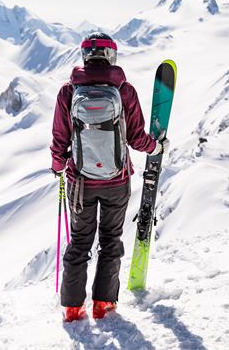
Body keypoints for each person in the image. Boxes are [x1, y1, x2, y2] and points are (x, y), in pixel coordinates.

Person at [50, 32, 168, 322]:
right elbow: (138, 138)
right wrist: (158, 147)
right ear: (111, 56)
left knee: (79, 242)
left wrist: (57, 165)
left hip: (80, 182)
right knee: (110, 240)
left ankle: (73, 309)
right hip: (116, 181)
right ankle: (103, 304)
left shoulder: (68, 91)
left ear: (85, 57)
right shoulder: (124, 90)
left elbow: (60, 137)